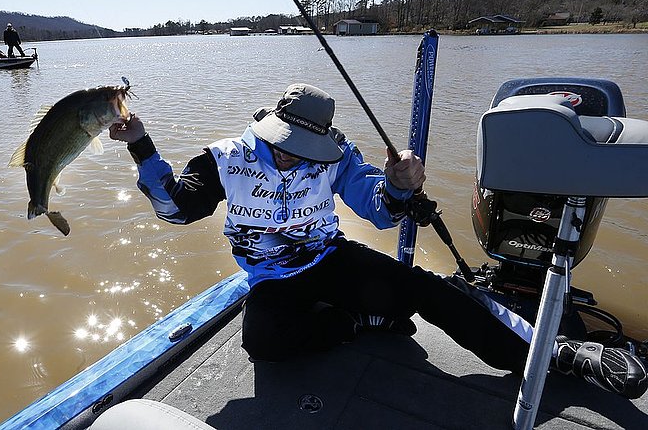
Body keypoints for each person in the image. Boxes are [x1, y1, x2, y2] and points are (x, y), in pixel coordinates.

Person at [108, 83, 648, 399]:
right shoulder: (224, 158)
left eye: (303, 148)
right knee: (263, 345)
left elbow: (377, 207)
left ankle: (554, 352)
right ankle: (353, 323)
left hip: (331, 257)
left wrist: (397, 185)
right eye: (284, 144)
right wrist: (141, 146)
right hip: (271, 278)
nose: (292, 155)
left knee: (427, 290)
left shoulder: (338, 156)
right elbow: (178, 210)